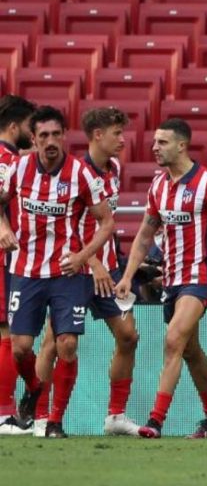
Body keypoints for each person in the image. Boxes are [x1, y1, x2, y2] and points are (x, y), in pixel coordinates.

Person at [114, 118, 207, 439]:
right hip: (171, 280)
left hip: (201, 276)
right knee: (190, 351)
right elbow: (145, 235)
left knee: (174, 339)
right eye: (154, 142)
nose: (154, 148)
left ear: (182, 145)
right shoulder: (158, 186)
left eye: (162, 142)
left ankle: (155, 421)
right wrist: (129, 275)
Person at [0, 105, 115, 438]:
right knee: (21, 347)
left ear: (64, 136)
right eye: (43, 135)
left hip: (67, 273)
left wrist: (84, 256)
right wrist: (3, 227)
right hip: (25, 270)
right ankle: (35, 388)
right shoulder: (18, 169)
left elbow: (107, 222)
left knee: (66, 344)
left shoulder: (81, 174)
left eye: (56, 134)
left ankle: (54, 421)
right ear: (33, 139)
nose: (50, 141)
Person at [33, 107, 141, 437]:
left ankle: (115, 416)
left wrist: (114, 264)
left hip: (107, 271)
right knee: (54, 343)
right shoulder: (75, 172)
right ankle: (40, 417)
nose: (122, 140)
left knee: (128, 336)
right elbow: (61, 229)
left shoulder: (114, 169)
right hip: (77, 271)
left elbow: (102, 224)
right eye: (116, 134)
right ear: (97, 135)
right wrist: (89, 263)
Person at [0, 95, 37, 435]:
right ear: (14, 126)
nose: (33, 132)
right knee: (8, 333)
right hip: (4, 257)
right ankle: (4, 413)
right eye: (30, 126)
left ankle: (30, 396)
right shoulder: (6, 160)